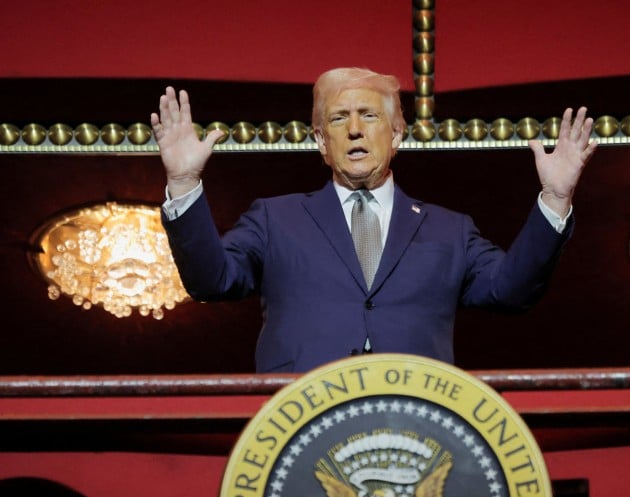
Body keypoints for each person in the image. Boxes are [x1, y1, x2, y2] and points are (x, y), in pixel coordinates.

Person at [152, 67, 595, 373]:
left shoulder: (450, 230)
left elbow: (512, 290)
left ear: (396, 133)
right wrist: (184, 182)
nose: (355, 129)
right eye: (338, 119)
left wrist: (555, 199)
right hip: (302, 414)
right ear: (321, 142)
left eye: (369, 115)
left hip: (414, 416)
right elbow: (212, 281)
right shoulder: (275, 218)